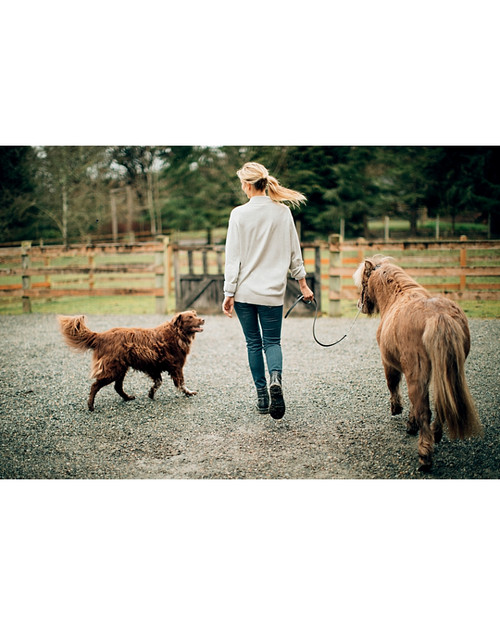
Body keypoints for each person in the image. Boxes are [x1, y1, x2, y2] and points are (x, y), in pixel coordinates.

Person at [222, 162, 314, 419]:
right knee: (272, 342)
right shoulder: (282, 213)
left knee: (253, 343)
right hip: (272, 293)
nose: (242, 187)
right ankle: (276, 378)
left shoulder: (238, 214)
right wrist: (303, 284)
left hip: (244, 293)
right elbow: (295, 252)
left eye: (242, 183)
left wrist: (228, 294)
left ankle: (262, 397)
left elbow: (233, 259)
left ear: (249, 184)